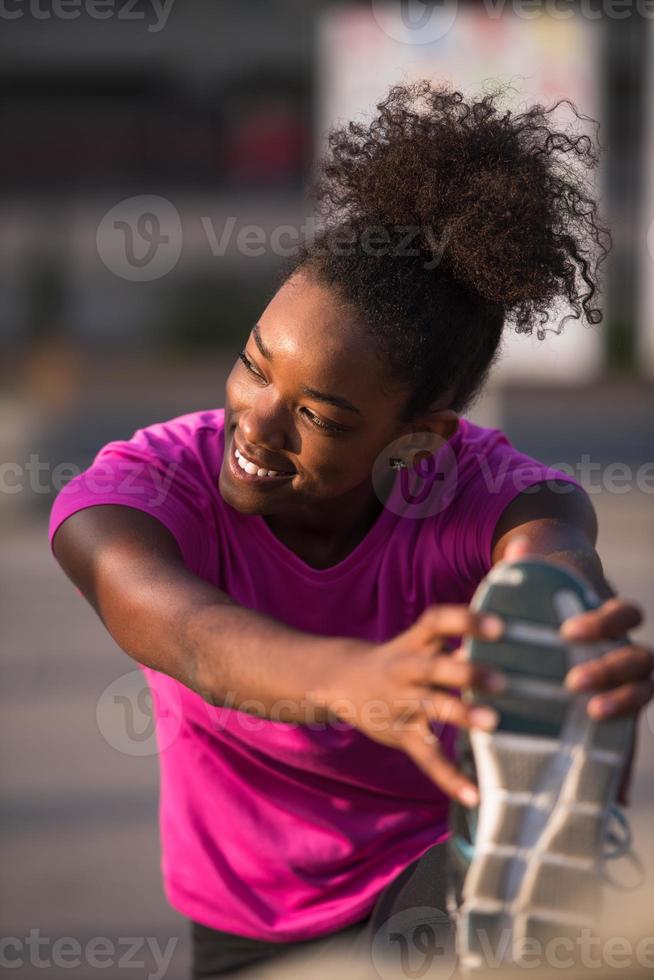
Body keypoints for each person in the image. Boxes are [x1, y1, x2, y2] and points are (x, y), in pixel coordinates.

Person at [49, 82, 653, 978]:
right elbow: (189, 635)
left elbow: (548, 554)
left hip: (436, 875)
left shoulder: (494, 496)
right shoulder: (141, 490)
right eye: (254, 364)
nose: (256, 423)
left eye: (320, 417)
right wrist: (355, 679)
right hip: (243, 920)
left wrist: (571, 633)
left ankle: (531, 880)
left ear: (419, 439)